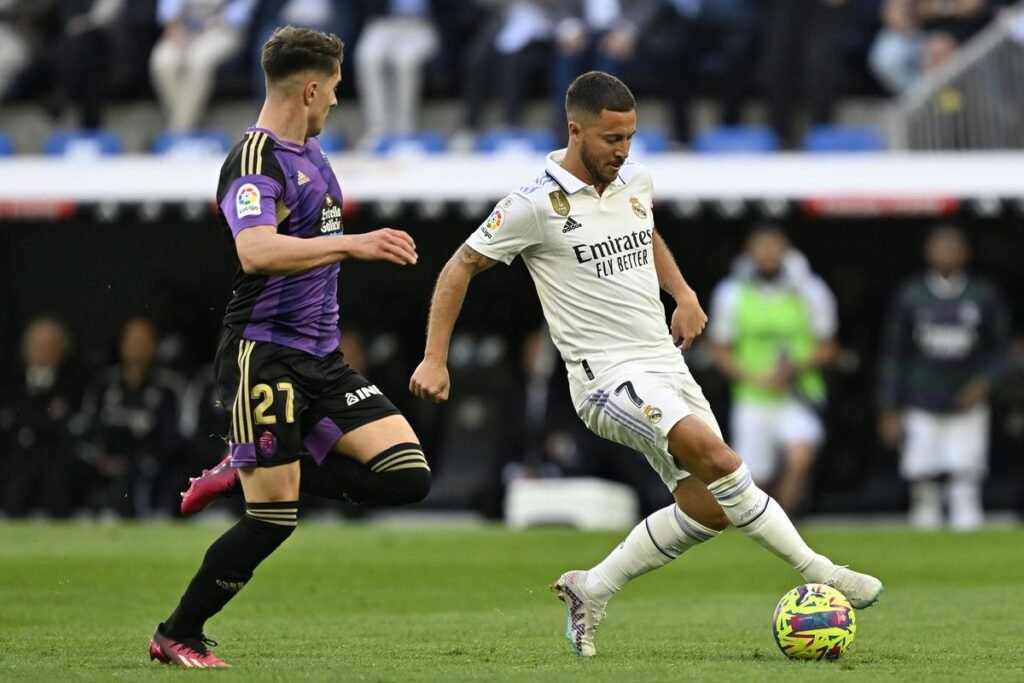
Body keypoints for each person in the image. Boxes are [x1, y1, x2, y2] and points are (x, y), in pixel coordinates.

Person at [409, 71, 882, 658]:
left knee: (709, 507)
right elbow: (459, 266)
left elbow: (645, 230)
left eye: (630, 136)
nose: (623, 150)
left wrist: (682, 293)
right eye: (612, 139)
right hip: (604, 378)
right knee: (720, 459)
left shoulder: (635, 179)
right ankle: (821, 570)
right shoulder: (533, 204)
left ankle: (592, 587)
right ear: (575, 131)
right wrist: (435, 358)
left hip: (663, 362)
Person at [149, 26, 429, 668]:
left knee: (407, 476)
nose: (336, 99)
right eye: (333, 88)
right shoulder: (255, 159)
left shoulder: (314, 153)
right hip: (264, 354)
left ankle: (245, 462)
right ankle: (178, 633)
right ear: (309, 90)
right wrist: (353, 243)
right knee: (273, 520)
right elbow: (255, 251)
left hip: (321, 359)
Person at [878, 225, 1010, 531]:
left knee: (966, 479)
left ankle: (968, 534)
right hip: (921, 397)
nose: (947, 254)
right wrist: (889, 407)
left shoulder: (983, 294)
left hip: (967, 398)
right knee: (922, 480)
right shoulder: (911, 295)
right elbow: (894, 354)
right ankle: (925, 532)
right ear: (928, 252)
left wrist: (984, 383)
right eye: (941, 247)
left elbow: (1002, 349)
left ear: (965, 253)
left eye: (953, 248)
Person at [709, 226, 838, 514]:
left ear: (786, 251)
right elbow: (721, 351)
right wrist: (757, 378)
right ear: (750, 252)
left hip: (798, 395)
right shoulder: (731, 293)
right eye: (761, 247)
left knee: (801, 455)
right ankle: (763, 523)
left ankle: (786, 517)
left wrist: (795, 367)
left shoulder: (811, 290)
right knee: (756, 478)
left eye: (774, 247)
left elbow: (829, 347)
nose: (767, 254)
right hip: (753, 397)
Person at [77, 316, 185, 518]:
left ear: (154, 346)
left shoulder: (170, 387)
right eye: (132, 341)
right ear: (122, 345)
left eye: (143, 342)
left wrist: (140, 460)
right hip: (104, 463)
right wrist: (101, 459)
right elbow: (87, 427)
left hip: (148, 466)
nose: (137, 347)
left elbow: (176, 437)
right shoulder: (102, 383)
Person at [0, 317, 84, 517]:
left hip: (55, 458)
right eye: (38, 345)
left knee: (58, 486)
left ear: (62, 350)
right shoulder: (10, 381)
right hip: (16, 455)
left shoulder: (73, 383)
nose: (43, 351)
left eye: (50, 346)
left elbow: (69, 424)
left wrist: (26, 417)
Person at [149, 0, 257, 132]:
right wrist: (176, 31)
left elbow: (239, 17)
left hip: (222, 30)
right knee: (164, 62)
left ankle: (178, 132)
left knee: (198, 62)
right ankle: (187, 128)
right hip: (181, 31)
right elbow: (167, 13)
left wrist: (207, 29)